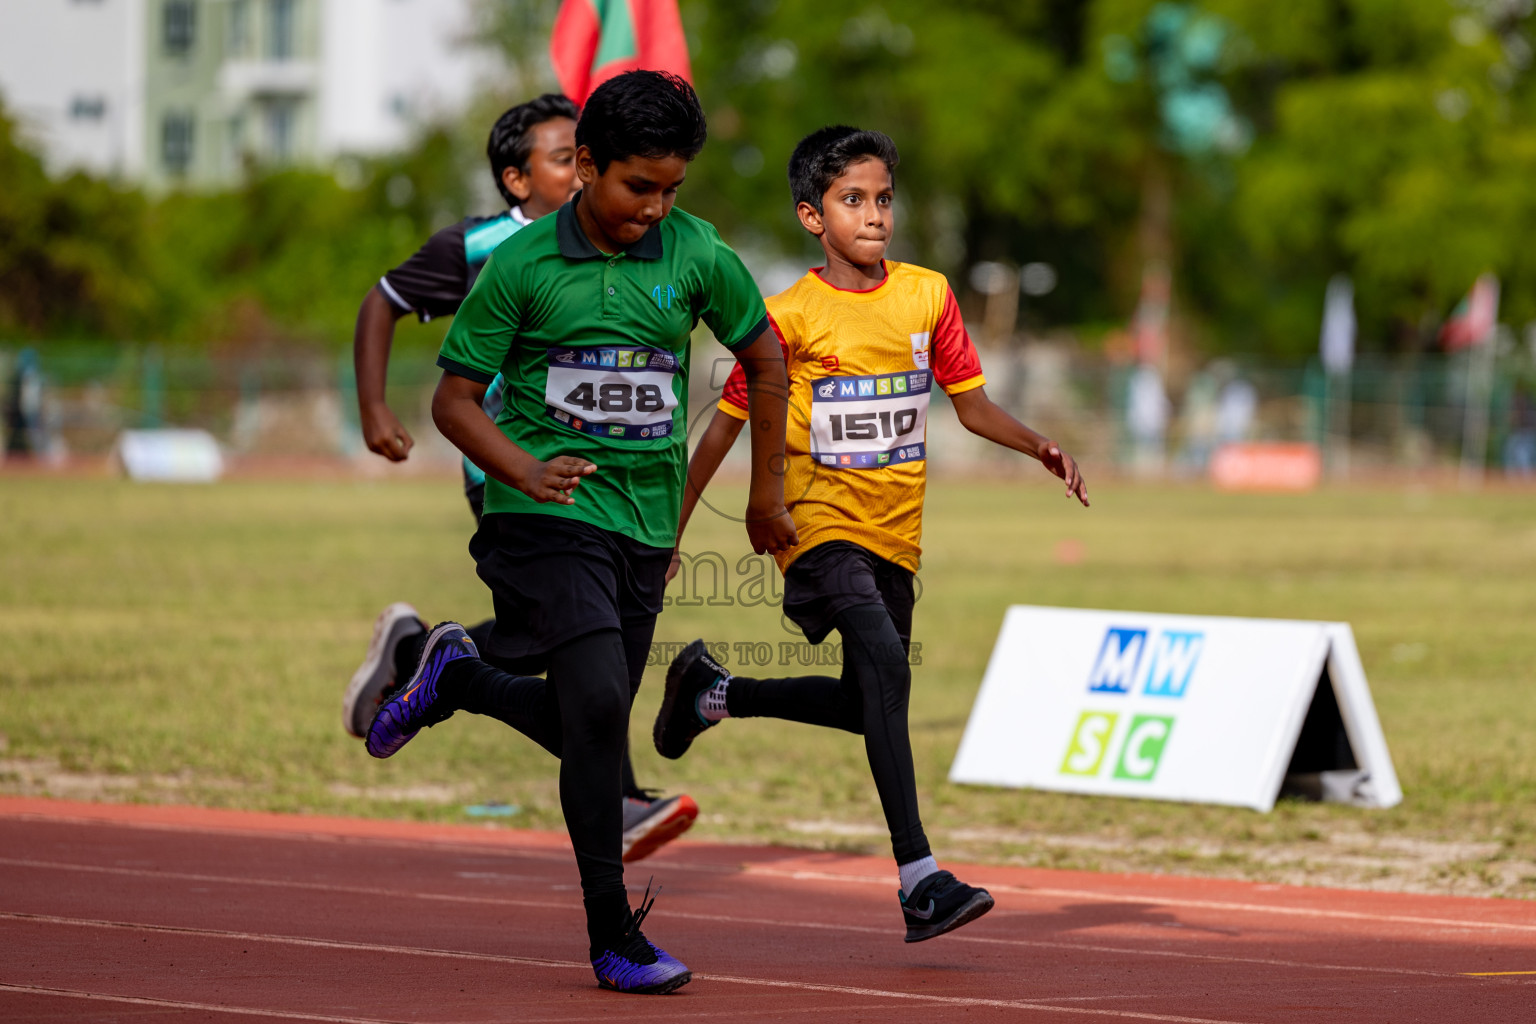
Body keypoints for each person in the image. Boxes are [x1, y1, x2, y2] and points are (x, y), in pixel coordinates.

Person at [363, 71, 797, 994]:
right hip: (540, 517)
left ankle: (458, 674)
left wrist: (766, 496)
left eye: (673, 187)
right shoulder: (520, 268)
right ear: (586, 167)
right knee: (597, 708)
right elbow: (452, 401)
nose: (657, 206)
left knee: (590, 718)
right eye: (639, 186)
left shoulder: (697, 254)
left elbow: (766, 358)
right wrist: (522, 469)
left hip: (642, 521)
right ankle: (614, 940)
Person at [653, 126, 1089, 943]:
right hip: (814, 528)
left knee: (867, 704)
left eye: (884, 198)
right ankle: (920, 878)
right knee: (888, 665)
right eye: (854, 200)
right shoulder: (783, 318)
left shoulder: (927, 295)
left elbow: (969, 403)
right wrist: (674, 533)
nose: (876, 215)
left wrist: (1039, 446)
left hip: (896, 537)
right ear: (811, 217)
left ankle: (712, 694)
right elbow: (720, 431)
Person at [341, 93, 696, 864]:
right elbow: (383, 300)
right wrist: (373, 408)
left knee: (557, 639)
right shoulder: (481, 249)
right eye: (564, 158)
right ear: (515, 178)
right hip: (506, 471)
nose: (580, 171)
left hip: (604, 478)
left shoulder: (630, 248)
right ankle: (622, 796)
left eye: (586, 156)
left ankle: (420, 658)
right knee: (579, 633)